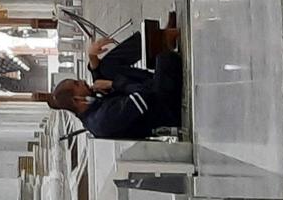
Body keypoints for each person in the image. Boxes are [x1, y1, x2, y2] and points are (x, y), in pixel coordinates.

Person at [33, 29, 182, 139]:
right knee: (166, 59)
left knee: (105, 67)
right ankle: (163, 43)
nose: (84, 82)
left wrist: (93, 58)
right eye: (78, 84)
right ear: (77, 99)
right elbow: (144, 98)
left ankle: (160, 38)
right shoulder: (102, 120)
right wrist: (114, 84)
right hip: (164, 107)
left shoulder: (89, 109)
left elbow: (100, 79)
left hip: (149, 96)